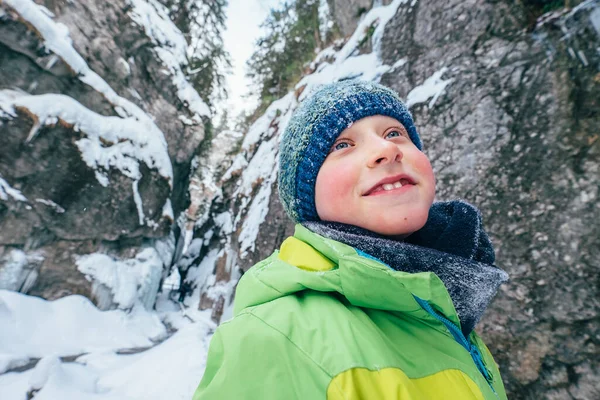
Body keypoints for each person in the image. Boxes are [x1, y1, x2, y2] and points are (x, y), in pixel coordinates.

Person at [193, 80, 509, 399]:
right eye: (342, 145)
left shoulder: (438, 304)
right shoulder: (276, 339)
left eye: (394, 133)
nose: (387, 149)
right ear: (307, 197)